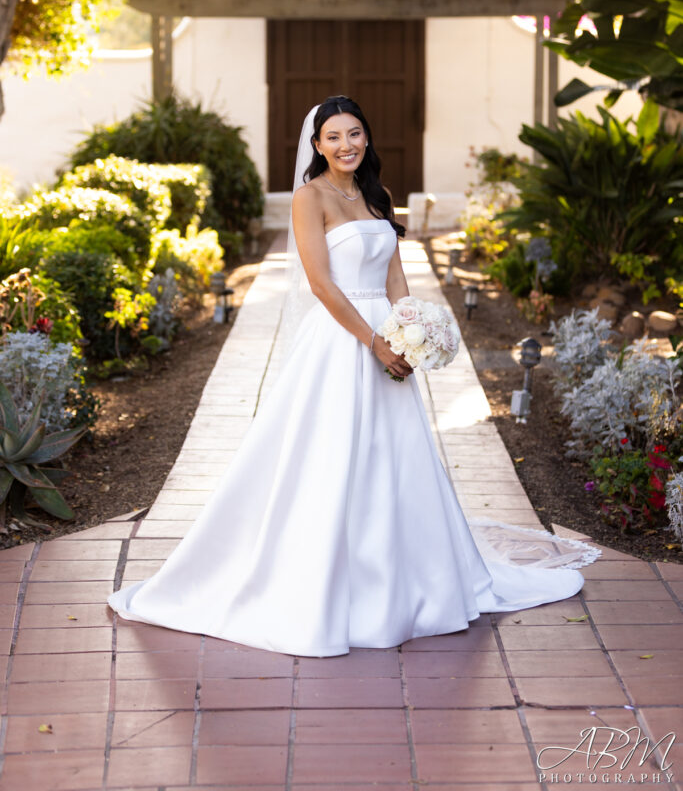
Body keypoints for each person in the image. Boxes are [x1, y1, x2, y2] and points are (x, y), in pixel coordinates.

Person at [107, 94, 600, 657]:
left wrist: (411, 329)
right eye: (334, 136)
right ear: (317, 145)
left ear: (367, 138)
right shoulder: (308, 197)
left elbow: (394, 276)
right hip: (342, 341)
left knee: (396, 459)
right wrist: (373, 341)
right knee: (330, 457)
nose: (347, 145)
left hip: (388, 339)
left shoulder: (374, 195)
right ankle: (321, 584)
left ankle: (410, 586)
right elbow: (321, 284)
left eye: (355, 134)